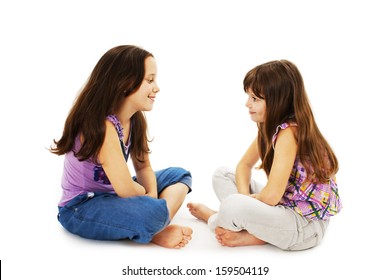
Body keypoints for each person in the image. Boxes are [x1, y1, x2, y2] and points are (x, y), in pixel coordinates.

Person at [188, 60, 342, 251]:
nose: (247, 104)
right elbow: (244, 165)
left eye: (255, 98)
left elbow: (270, 197)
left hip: (306, 227)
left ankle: (216, 218)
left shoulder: (290, 133)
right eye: (249, 97)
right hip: (285, 207)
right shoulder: (269, 130)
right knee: (222, 175)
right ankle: (253, 229)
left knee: (233, 206)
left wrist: (243, 204)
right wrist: (244, 198)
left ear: (278, 101)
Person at [51, 45, 193, 249]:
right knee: (152, 213)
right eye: (150, 80)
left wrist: (151, 195)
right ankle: (153, 227)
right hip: (81, 208)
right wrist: (149, 203)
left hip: (115, 193)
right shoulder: (103, 127)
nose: (157, 87)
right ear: (125, 83)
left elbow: (143, 167)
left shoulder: (135, 120)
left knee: (179, 175)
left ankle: (152, 225)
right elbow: (126, 189)